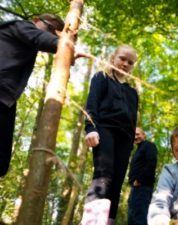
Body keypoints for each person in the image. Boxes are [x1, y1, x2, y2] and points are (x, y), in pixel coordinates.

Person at [0, 13, 65, 177]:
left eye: (55, 34)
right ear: (36, 20)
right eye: (50, 29)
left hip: (6, 99)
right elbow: (40, 39)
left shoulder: (28, 41)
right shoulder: (20, 26)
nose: (49, 35)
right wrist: (66, 45)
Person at [81, 45, 138, 225]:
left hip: (125, 139)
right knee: (104, 174)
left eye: (130, 62)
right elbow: (92, 104)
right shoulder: (102, 78)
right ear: (113, 57)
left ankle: (108, 221)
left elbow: (132, 120)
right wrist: (90, 128)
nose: (125, 64)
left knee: (118, 180)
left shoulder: (132, 92)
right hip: (104, 129)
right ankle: (91, 221)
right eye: (122, 58)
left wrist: (131, 141)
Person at [127, 127, 158, 225]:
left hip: (142, 187)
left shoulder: (149, 145)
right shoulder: (137, 150)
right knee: (132, 217)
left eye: (138, 134)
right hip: (135, 188)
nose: (136, 137)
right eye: (134, 135)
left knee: (139, 218)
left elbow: (151, 163)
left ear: (144, 135)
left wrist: (139, 180)